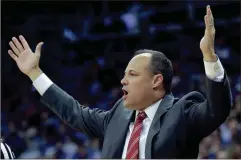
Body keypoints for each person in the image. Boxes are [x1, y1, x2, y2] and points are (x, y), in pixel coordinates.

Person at [7, 5, 232, 158]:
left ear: (157, 80)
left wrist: (210, 57)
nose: (123, 81)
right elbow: (73, 112)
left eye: (133, 75)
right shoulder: (116, 117)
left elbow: (217, 110)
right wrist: (35, 74)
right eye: (125, 74)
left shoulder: (182, 112)